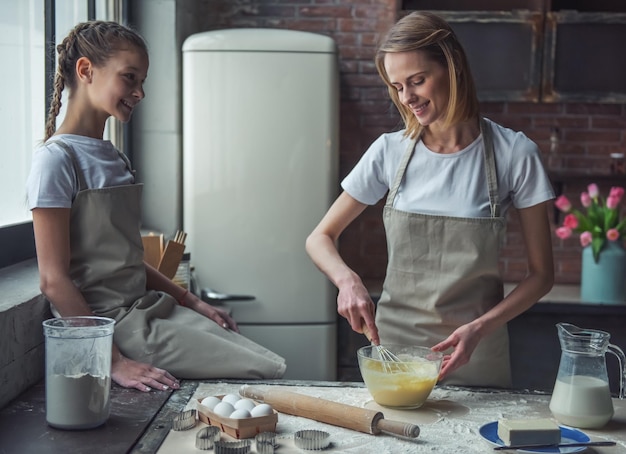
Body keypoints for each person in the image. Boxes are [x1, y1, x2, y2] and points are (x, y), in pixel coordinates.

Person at [27, 21, 286, 393]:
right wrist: (113, 360)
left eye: (142, 81)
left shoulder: (115, 158)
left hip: (148, 308)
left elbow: (126, 259)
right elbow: (53, 280)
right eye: (129, 78)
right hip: (110, 325)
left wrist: (193, 302)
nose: (140, 92)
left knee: (263, 361)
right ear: (86, 71)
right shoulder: (56, 160)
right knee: (266, 370)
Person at [306, 11, 554, 387]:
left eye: (417, 81)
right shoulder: (389, 152)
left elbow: (542, 275)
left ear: (452, 67)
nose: (407, 98)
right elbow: (319, 237)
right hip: (395, 351)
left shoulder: (515, 154)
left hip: (476, 351)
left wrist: (480, 328)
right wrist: (347, 281)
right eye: (397, 87)